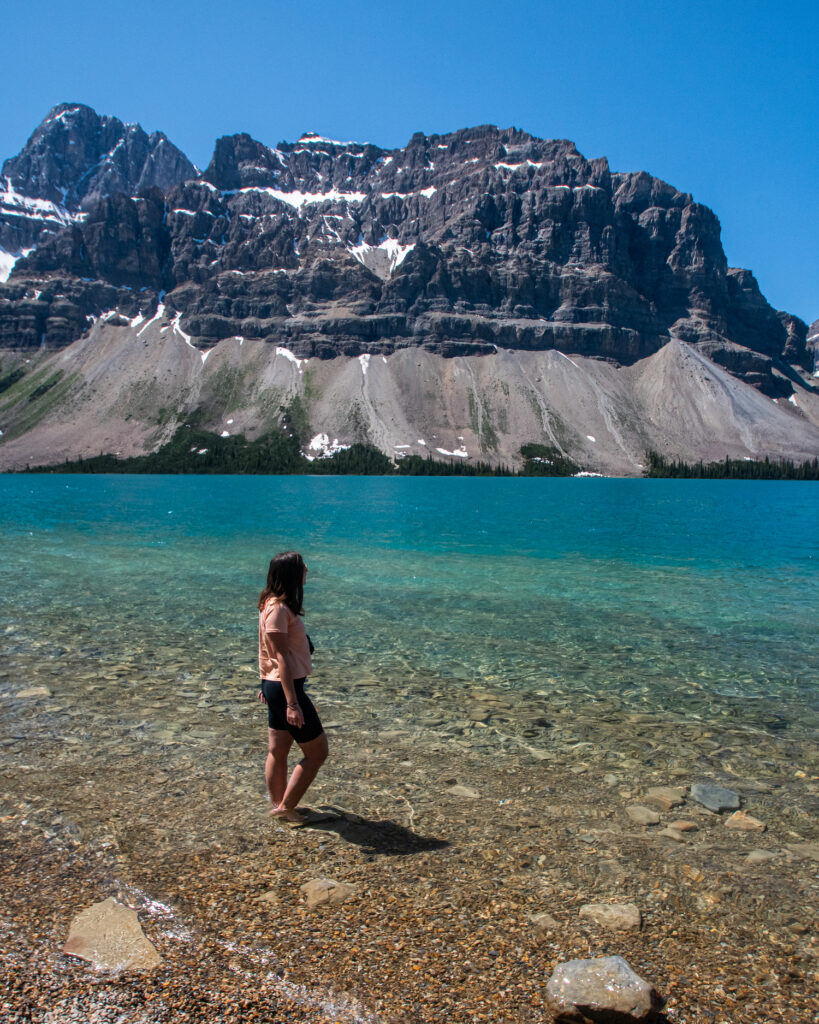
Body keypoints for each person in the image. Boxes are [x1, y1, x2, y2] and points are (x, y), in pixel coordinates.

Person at [257, 551, 328, 822]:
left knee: (279, 750)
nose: (307, 568)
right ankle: (286, 808)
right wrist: (292, 703)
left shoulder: (272, 604)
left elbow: (268, 654)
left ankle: (279, 805)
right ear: (290, 574)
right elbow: (281, 656)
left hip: (276, 685)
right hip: (287, 689)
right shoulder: (277, 609)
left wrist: (265, 682)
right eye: (302, 566)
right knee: (318, 752)